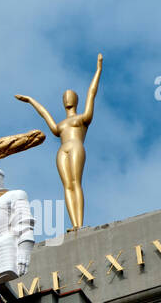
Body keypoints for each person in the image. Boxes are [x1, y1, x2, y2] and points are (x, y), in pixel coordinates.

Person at [15, 53, 102, 229]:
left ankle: (80, 224)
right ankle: (74, 225)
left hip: (77, 146)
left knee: (76, 182)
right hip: (62, 151)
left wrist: (99, 68)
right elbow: (45, 115)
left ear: (75, 100)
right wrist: (31, 100)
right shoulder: (60, 125)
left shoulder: (83, 118)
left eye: (70, 96)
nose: (67, 98)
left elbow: (91, 93)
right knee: (67, 186)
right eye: (64, 97)